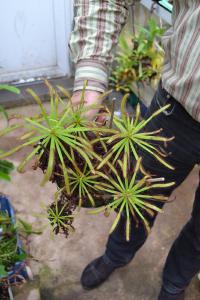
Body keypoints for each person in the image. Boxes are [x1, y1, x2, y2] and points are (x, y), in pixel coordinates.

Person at [69, 1, 200, 299]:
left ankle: (175, 283)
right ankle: (116, 256)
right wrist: (89, 79)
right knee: (137, 198)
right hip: (175, 113)